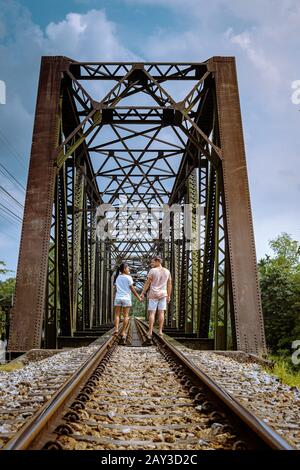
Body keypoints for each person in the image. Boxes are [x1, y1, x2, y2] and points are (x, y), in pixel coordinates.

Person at [140, 256, 172, 342]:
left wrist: (143, 292)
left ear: (158, 261)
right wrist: (168, 296)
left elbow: (147, 283)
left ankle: (150, 331)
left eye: (152, 262)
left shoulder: (152, 271)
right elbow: (169, 284)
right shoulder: (167, 271)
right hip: (163, 294)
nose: (151, 264)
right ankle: (160, 331)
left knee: (152, 313)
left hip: (153, 293)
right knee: (161, 312)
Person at [113, 262, 141, 345]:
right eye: (128, 268)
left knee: (117, 315)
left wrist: (115, 296)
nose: (129, 269)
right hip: (126, 298)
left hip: (118, 298)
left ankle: (116, 329)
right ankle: (123, 332)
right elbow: (132, 289)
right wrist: (138, 297)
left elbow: (115, 288)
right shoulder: (129, 278)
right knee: (126, 316)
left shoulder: (117, 277)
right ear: (124, 269)